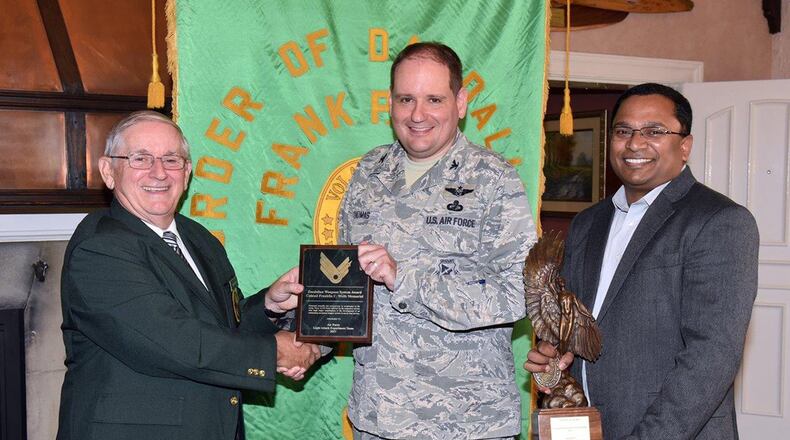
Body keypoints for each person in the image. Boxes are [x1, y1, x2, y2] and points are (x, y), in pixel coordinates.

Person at [57, 111, 321, 440]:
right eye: (140, 158)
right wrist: (274, 352)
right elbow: (170, 339)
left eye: (172, 159)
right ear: (109, 172)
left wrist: (268, 306)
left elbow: (221, 327)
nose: (159, 172)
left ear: (187, 172)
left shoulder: (199, 238)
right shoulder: (100, 247)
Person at [525, 83, 759, 439]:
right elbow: (577, 326)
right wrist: (553, 359)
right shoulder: (588, 222)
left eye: (654, 131)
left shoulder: (719, 221)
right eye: (623, 131)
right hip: (588, 427)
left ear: (685, 146)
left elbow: (711, 357)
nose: (635, 143)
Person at [338, 42, 537, 440]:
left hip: (466, 422)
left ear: (460, 102)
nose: (417, 115)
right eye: (406, 99)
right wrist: (304, 334)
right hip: (377, 416)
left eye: (434, 99)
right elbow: (347, 284)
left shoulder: (493, 179)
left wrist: (404, 278)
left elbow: (518, 293)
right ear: (390, 103)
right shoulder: (369, 171)